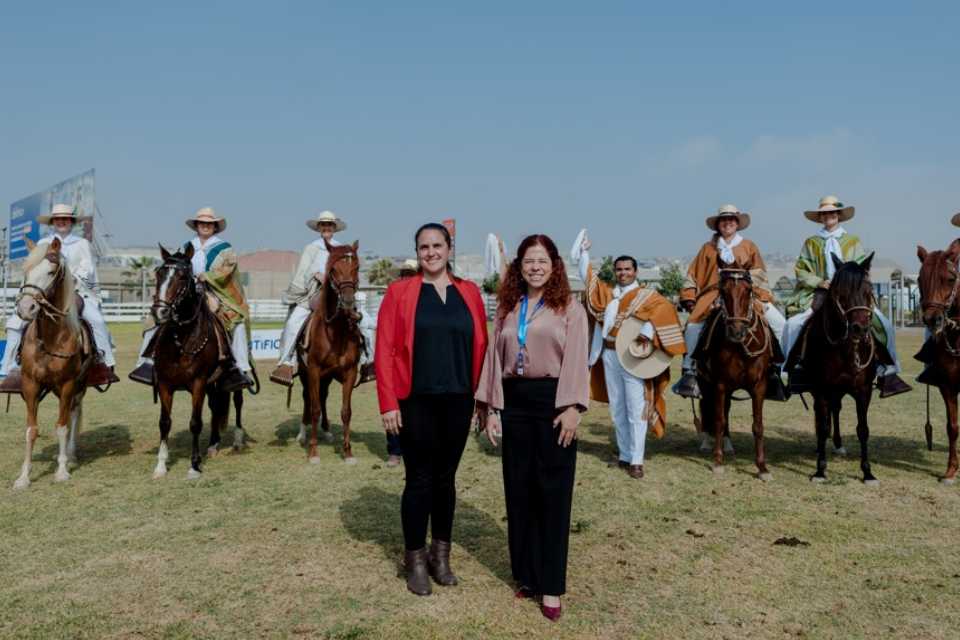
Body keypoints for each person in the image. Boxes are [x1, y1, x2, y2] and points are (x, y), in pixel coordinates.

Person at [476, 234, 589, 622]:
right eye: (528, 261)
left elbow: (576, 359)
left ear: (554, 265)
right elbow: (494, 356)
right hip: (515, 403)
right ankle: (526, 574)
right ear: (519, 266)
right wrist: (491, 407)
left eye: (542, 260)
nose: (535, 267)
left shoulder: (569, 308)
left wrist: (574, 406)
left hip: (554, 402)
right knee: (519, 491)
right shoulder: (508, 307)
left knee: (553, 494)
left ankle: (552, 584)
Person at [374, 223, 488, 596]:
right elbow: (386, 350)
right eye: (424, 246)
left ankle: (441, 556)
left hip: (458, 399)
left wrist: (480, 400)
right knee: (419, 479)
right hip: (415, 400)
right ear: (417, 251)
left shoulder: (469, 293)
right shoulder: (400, 292)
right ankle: (416, 560)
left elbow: (482, 346)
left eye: (437, 245)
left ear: (449, 248)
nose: (431, 252)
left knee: (446, 480)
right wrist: (388, 402)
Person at [571, 230, 686, 478]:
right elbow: (588, 278)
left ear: (635, 271)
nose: (623, 273)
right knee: (617, 408)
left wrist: (644, 330)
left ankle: (637, 460)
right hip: (609, 356)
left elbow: (664, 312)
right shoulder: (608, 296)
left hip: (633, 357)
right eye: (619, 270)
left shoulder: (648, 297)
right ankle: (624, 455)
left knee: (636, 408)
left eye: (627, 269)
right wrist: (584, 252)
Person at [781, 196, 911, 397]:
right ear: (820, 217)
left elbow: (861, 268)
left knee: (883, 323)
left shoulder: (853, 241)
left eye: (832, 212)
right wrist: (819, 282)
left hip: (851, 294)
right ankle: (793, 369)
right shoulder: (811, 243)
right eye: (824, 213)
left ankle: (888, 371)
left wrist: (853, 284)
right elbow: (801, 269)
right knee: (793, 325)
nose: (828, 216)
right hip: (821, 293)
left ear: (838, 215)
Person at [128, 207, 251, 392]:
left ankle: (239, 368)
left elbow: (227, 270)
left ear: (215, 226)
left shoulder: (225, 248)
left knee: (236, 322)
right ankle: (146, 362)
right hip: (186, 292)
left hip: (215, 292)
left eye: (209, 223)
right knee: (155, 319)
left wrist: (207, 276)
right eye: (202, 223)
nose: (205, 226)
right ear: (196, 226)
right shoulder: (187, 246)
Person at [672, 204, 787, 400]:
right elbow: (692, 275)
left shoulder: (749, 246)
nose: (728, 223)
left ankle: (776, 370)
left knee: (780, 323)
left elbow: (759, 272)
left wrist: (744, 284)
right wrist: (689, 297)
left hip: (745, 295)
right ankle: (689, 371)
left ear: (737, 224)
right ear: (718, 225)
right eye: (723, 220)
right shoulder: (707, 249)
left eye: (731, 220)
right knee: (692, 327)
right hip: (713, 295)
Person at [0, 203, 119, 393]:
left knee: (95, 319)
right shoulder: (42, 244)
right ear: (53, 222)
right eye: (58, 219)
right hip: (43, 293)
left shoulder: (82, 244)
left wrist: (71, 278)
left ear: (71, 222)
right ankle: (9, 367)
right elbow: (33, 266)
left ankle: (103, 362)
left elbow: (88, 269)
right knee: (15, 322)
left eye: (65, 219)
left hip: (75, 292)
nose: (61, 222)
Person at [270, 210, 375, 386]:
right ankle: (286, 362)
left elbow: (349, 271)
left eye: (330, 225)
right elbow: (303, 272)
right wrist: (315, 274)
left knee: (364, 320)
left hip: (340, 293)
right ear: (319, 228)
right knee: (293, 322)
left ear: (334, 228)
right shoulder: (311, 248)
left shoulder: (343, 249)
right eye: (323, 225)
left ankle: (367, 361)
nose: (327, 228)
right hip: (314, 292)